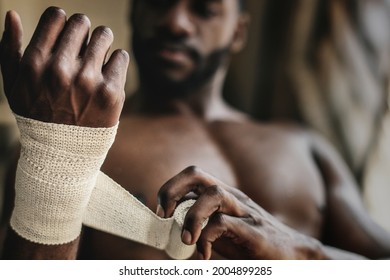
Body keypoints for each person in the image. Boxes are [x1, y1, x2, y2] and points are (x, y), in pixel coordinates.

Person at [1, 0, 390, 260]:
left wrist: (308, 254)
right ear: (135, 11)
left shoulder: (303, 145)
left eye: (204, 9)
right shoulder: (71, 140)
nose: (175, 22)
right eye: (159, 1)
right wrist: (59, 151)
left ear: (238, 32)